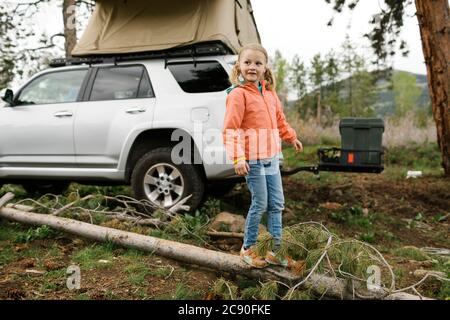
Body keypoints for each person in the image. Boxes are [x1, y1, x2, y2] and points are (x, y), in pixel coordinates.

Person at [223, 43, 303, 268]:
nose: (252, 67)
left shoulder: (269, 94)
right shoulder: (238, 95)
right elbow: (230, 129)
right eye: (247, 62)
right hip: (253, 161)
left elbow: (279, 120)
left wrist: (291, 137)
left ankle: (276, 252)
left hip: (271, 158)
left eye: (258, 63)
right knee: (260, 203)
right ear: (239, 66)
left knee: (277, 204)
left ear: (265, 68)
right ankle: (247, 249)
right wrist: (238, 158)